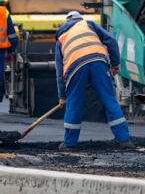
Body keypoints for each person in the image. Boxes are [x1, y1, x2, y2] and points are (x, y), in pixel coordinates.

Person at [55, 11, 133, 151]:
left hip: (75, 67)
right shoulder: (89, 25)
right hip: (98, 62)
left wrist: (62, 96)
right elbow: (112, 41)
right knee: (110, 101)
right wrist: (114, 64)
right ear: (80, 19)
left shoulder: (61, 36)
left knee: (73, 104)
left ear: (67, 22)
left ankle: (70, 144)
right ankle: (124, 140)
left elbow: (60, 71)